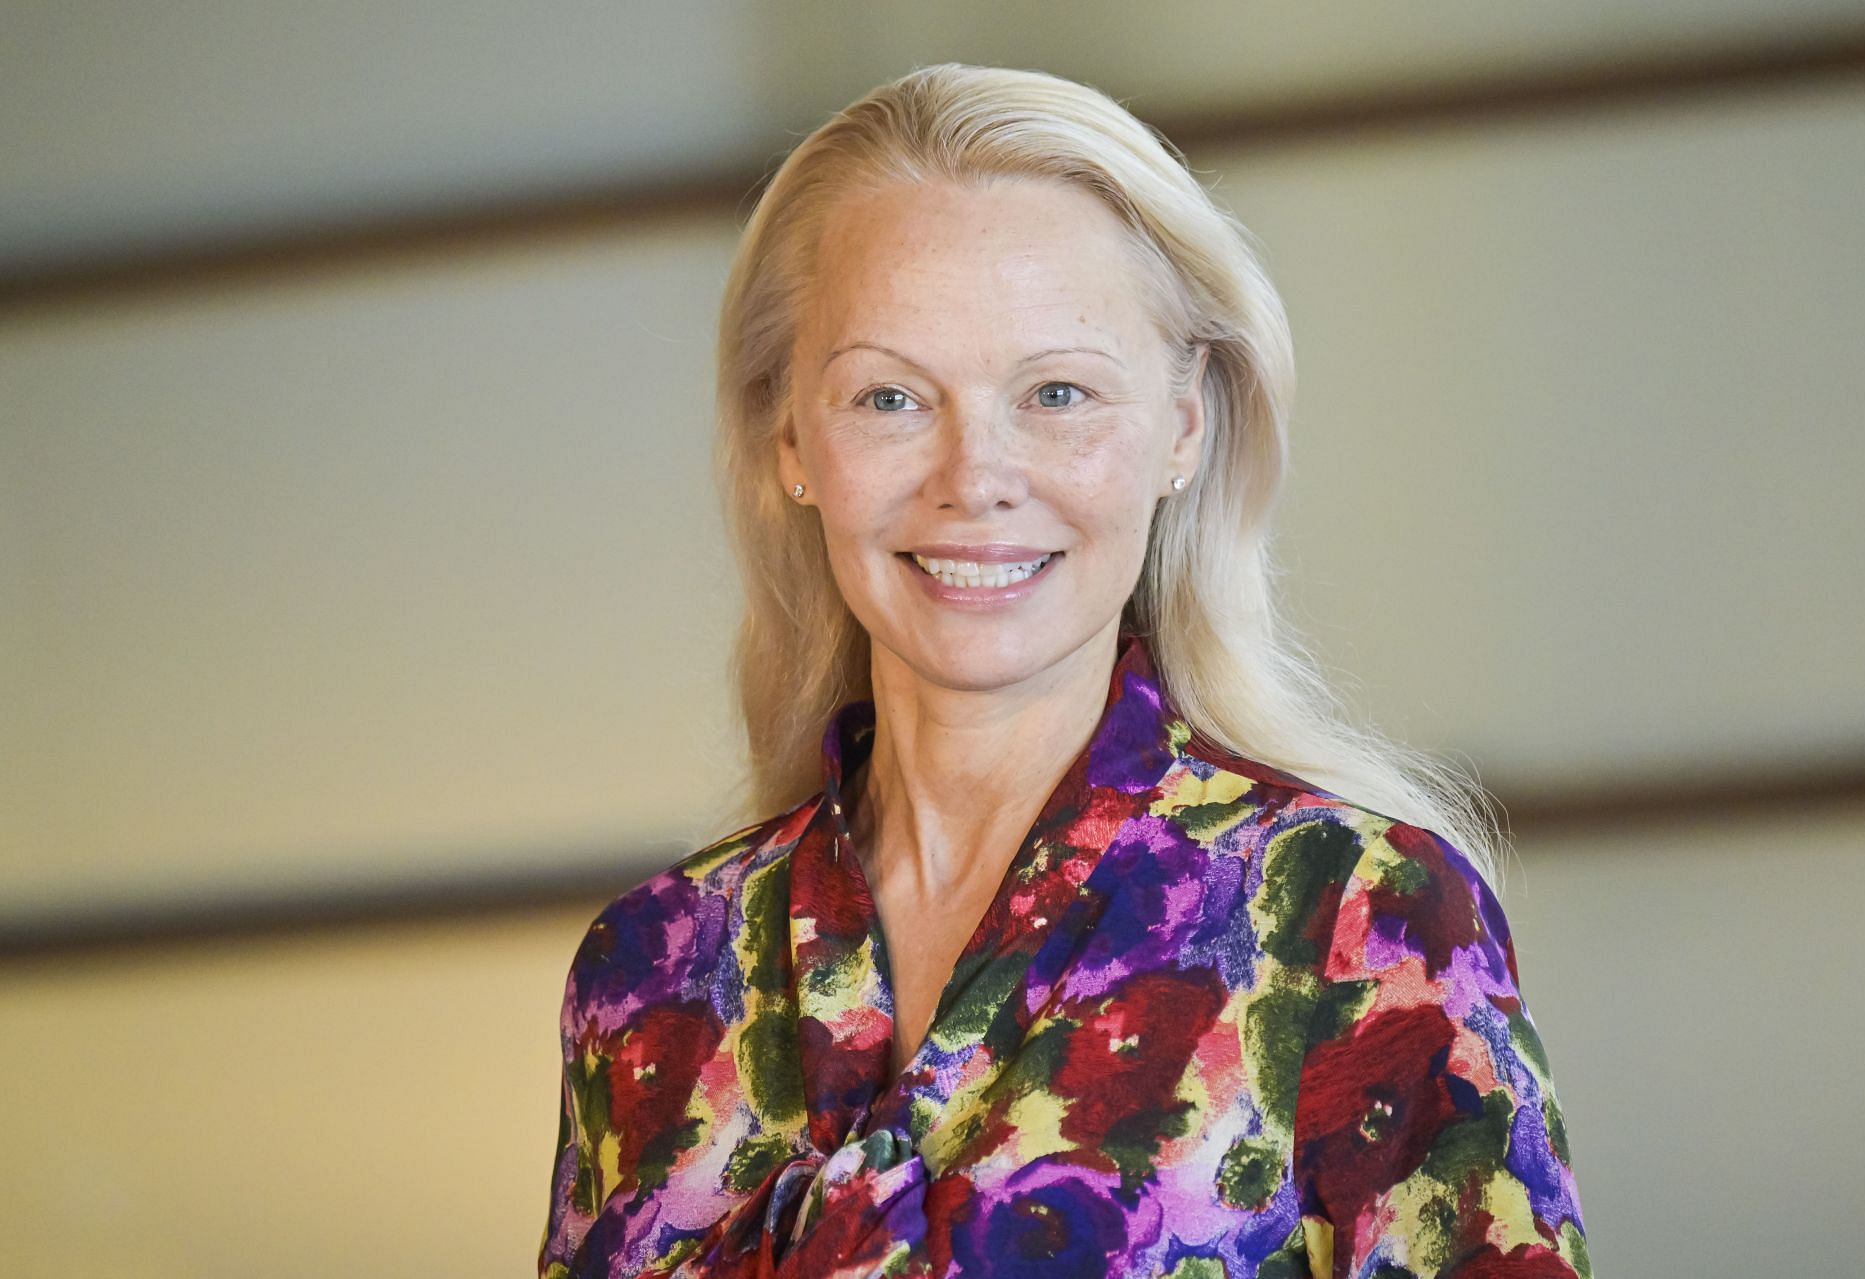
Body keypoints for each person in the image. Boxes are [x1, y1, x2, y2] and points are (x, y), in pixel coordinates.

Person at [538, 63, 1591, 1279]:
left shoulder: (1353, 916)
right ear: (792, 440)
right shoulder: (650, 970)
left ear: (1183, 427)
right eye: (889, 396)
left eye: (1056, 393)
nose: (973, 475)